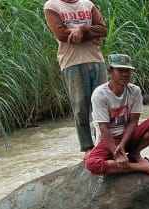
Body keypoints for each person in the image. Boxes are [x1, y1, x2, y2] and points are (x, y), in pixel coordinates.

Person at [84, 54, 149, 180]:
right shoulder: (100, 94)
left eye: (127, 71)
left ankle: (134, 153)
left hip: (128, 137)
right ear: (110, 71)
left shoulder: (135, 91)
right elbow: (103, 128)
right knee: (91, 164)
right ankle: (141, 167)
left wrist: (122, 145)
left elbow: (133, 122)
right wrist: (116, 153)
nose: (125, 74)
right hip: (108, 140)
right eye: (120, 70)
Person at [43, 0, 108, 152]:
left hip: (96, 59)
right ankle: (87, 148)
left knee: (103, 104)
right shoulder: (52, 6)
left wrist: (82, 29)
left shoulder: (87, 4)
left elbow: (103, 30)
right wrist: (92, 34)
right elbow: (61, 35)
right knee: (80, 107)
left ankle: (104, 144)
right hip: (72, 62)